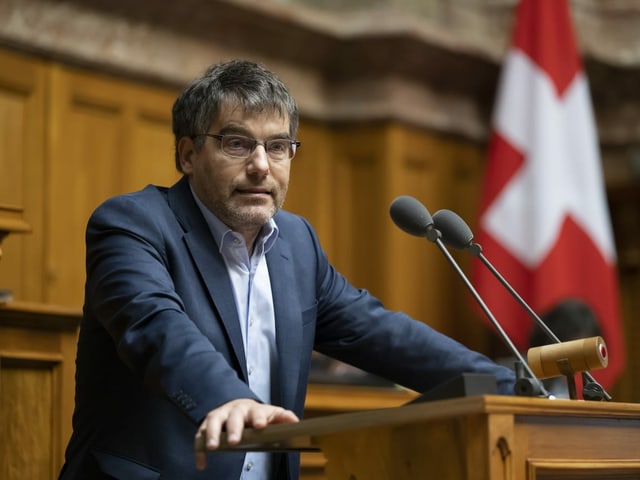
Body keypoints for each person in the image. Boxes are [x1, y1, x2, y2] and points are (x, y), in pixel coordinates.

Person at [58, 59, 515, 480]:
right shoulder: (132, 224)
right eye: (237, 143)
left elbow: (380, 334)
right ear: (187, 155)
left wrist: (518, 389)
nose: (261, 165)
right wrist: (228, 398)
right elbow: (156, 329)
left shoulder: (296, 245)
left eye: (278, 146)